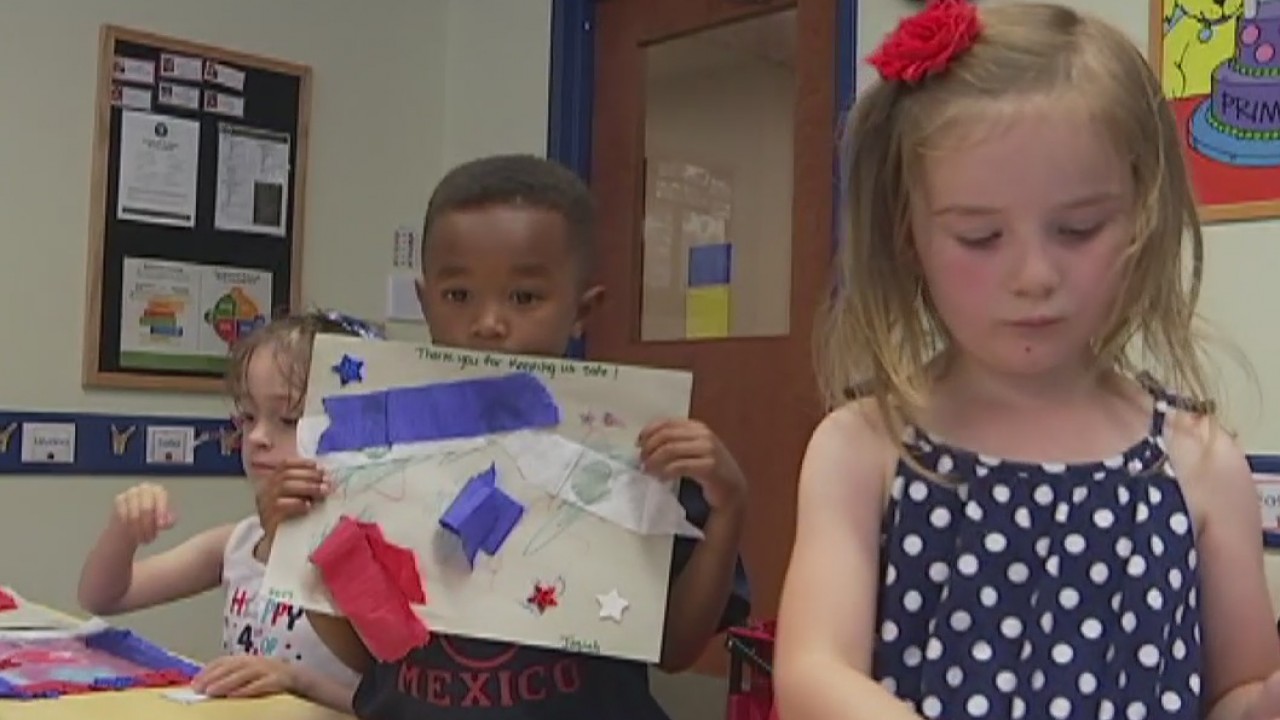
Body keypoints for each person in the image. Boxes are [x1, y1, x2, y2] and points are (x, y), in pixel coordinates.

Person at [774, 2, 1280, 720]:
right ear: (909, 235)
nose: (1035, 274)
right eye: (980, 237)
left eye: (1078, 228)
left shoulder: (1200, 463)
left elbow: (1238, 695)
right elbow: (813, 676)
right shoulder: (866, 446)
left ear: (1142, 215)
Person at [261, 154, 752, 719]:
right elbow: (367, 651)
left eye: (524, 298)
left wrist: (728, 508)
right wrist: (292, 541)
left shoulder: (636, 451)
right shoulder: (375, 446)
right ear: (425, 302)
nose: (488, 322)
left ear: (582, 309)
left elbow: (673, 649)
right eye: (458, 295)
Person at [77, 310, 385, 713]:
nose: (257, 437)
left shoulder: (376, 559)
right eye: (248, 416)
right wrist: (124, 529)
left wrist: (298, 682)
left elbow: (396, 705)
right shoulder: (239, 542)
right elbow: (103, 597)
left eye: (289, 419)